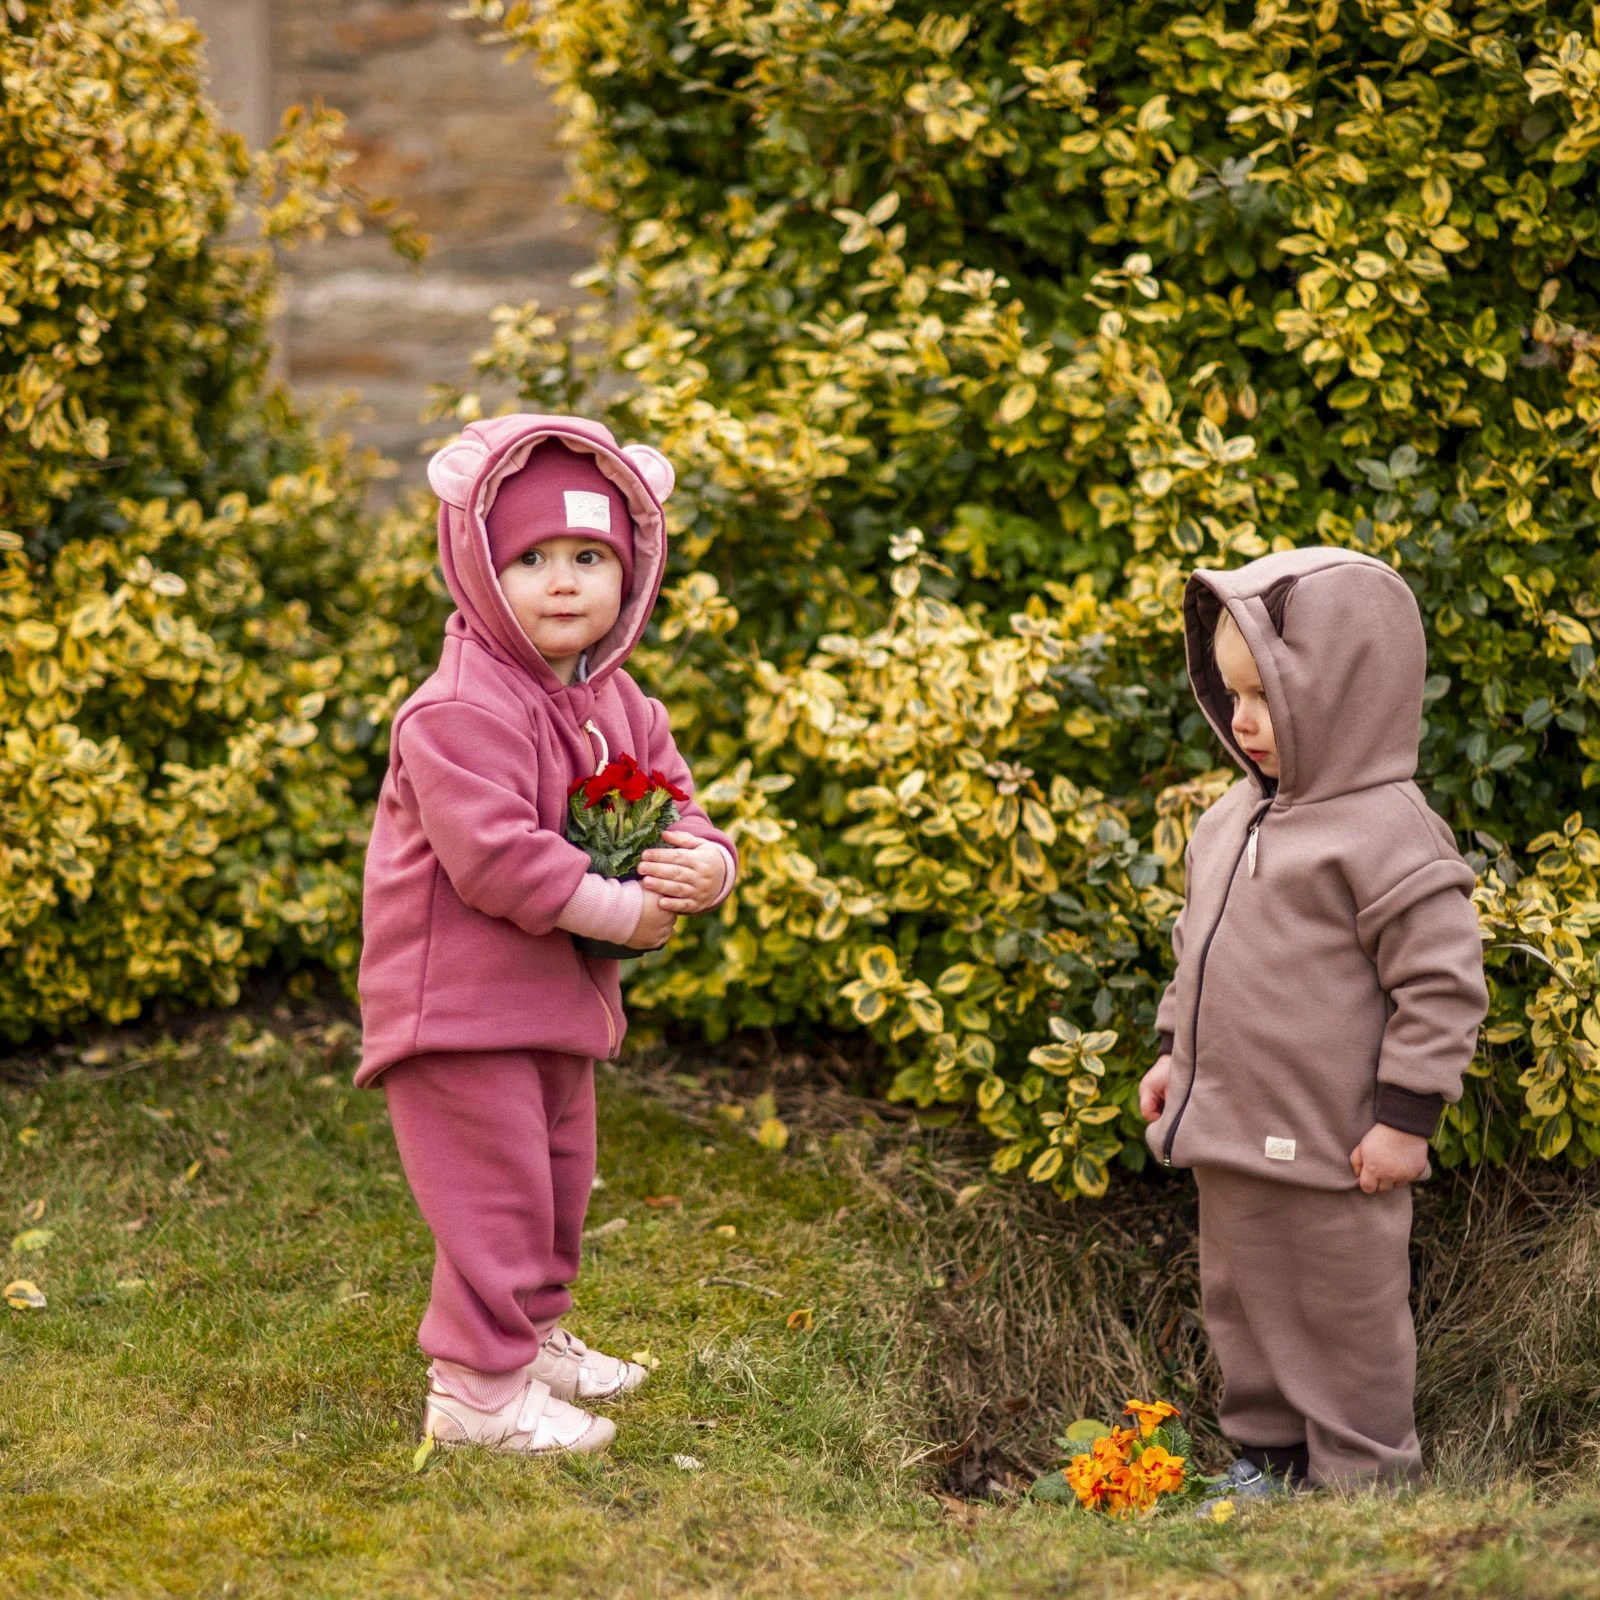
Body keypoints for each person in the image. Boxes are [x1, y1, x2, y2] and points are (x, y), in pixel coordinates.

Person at [355, 415, 737, 1456]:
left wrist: (706, 865)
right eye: (530, 559)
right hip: (456, 1007)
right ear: (480, 569)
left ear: (631, 572)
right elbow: (497, 859)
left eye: (589, 557)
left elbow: (677, 804)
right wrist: (629, 913)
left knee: (558, 1179)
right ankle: (475, 1393)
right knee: (498, 1196)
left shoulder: (618, 700)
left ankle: (530, 1339)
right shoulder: (455, 710)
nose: (563, 582)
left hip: (553, 1000)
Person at [1139, 548, 1487, 1496]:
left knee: (1344, 1317)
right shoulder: (1228, 819)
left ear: (1346, 690)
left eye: (1267, 695)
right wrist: (1174, 1055)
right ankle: (1270, 1459)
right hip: (1228, 1131)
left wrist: (1406, 1117)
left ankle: (1365, 1477)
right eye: (1233, 693)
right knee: (1241, 1302)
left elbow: (1441, 985)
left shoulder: (1387, 835)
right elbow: (1196, 948)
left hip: (1338, 1147)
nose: (1244, 719)